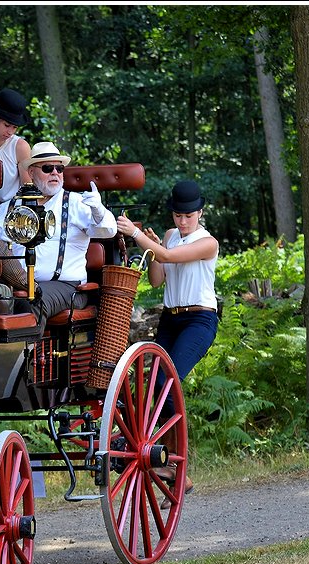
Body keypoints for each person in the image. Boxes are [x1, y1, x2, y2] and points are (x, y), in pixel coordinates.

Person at [116, 179, 219, 493]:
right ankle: (171, 464)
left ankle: (172, 461)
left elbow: (173, 258)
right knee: (151, 386)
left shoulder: (208, 242)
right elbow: (158, 278)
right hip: (170, 319)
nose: (183, 221)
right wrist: (153, 248)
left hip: (199, 320)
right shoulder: (171, 237)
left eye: (188, 216)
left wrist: (138, 236)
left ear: (199, 212)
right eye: (178, 215)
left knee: (167, 381)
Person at [0, 141, 117, 334]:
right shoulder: (10, 206)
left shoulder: (75, 203)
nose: (55, 173)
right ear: (31, 173)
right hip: (16, 284)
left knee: (33, 300)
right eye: (48, 168)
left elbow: (109, 230)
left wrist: (98, 210)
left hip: (67, 287)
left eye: (59, 168)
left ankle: (26, 362)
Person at [0, 88, 32, 209]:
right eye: (6, 125)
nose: (10, 132)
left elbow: (27, 186)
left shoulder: (20, 146)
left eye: (15, 127)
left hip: (10, 208)